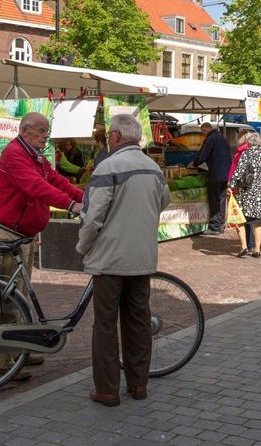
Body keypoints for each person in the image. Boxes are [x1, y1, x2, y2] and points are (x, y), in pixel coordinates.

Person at [76, 113, 171, 407]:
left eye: (109, 136)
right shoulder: (153, 167)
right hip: (142, 257)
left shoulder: (109, 167)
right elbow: (164, 201)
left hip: (109, 259)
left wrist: (82, 247)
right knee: (138, 320)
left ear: (116, 136)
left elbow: (93, 218)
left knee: (105, 324)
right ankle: (138, 385)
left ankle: (107, 390)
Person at [0, 112, 84, 380]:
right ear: (26, 130)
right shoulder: (15, 154)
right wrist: (71, 205)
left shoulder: (35, 156)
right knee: (9, 302)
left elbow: (54, 179)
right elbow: (35, 186)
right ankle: (1, 365)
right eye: (41, 131)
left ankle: (20, 352)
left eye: (47, 132)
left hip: (23, 236)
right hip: (8, 236)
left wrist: (83, 196)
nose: (45, 137)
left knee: (21, 299)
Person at [228, 132, 261, 257]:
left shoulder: (246, 154)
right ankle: (257, 250)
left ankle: (244, 246)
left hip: (246, 193)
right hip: (260, 194)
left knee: (240, 220)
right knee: (258, 222)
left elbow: (238, 172)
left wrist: (230, 185)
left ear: (249, 142)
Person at [192, 122, 231, 235]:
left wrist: (194, 164)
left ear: (205, 129)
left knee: (214, 200)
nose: (203, 134)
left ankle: (215, 227)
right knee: (222, 199)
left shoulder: (210, 139)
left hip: (216, 174)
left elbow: (203, 155)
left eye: (202, 132)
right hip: (226, 174)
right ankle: (222, 224)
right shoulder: (222, 138)